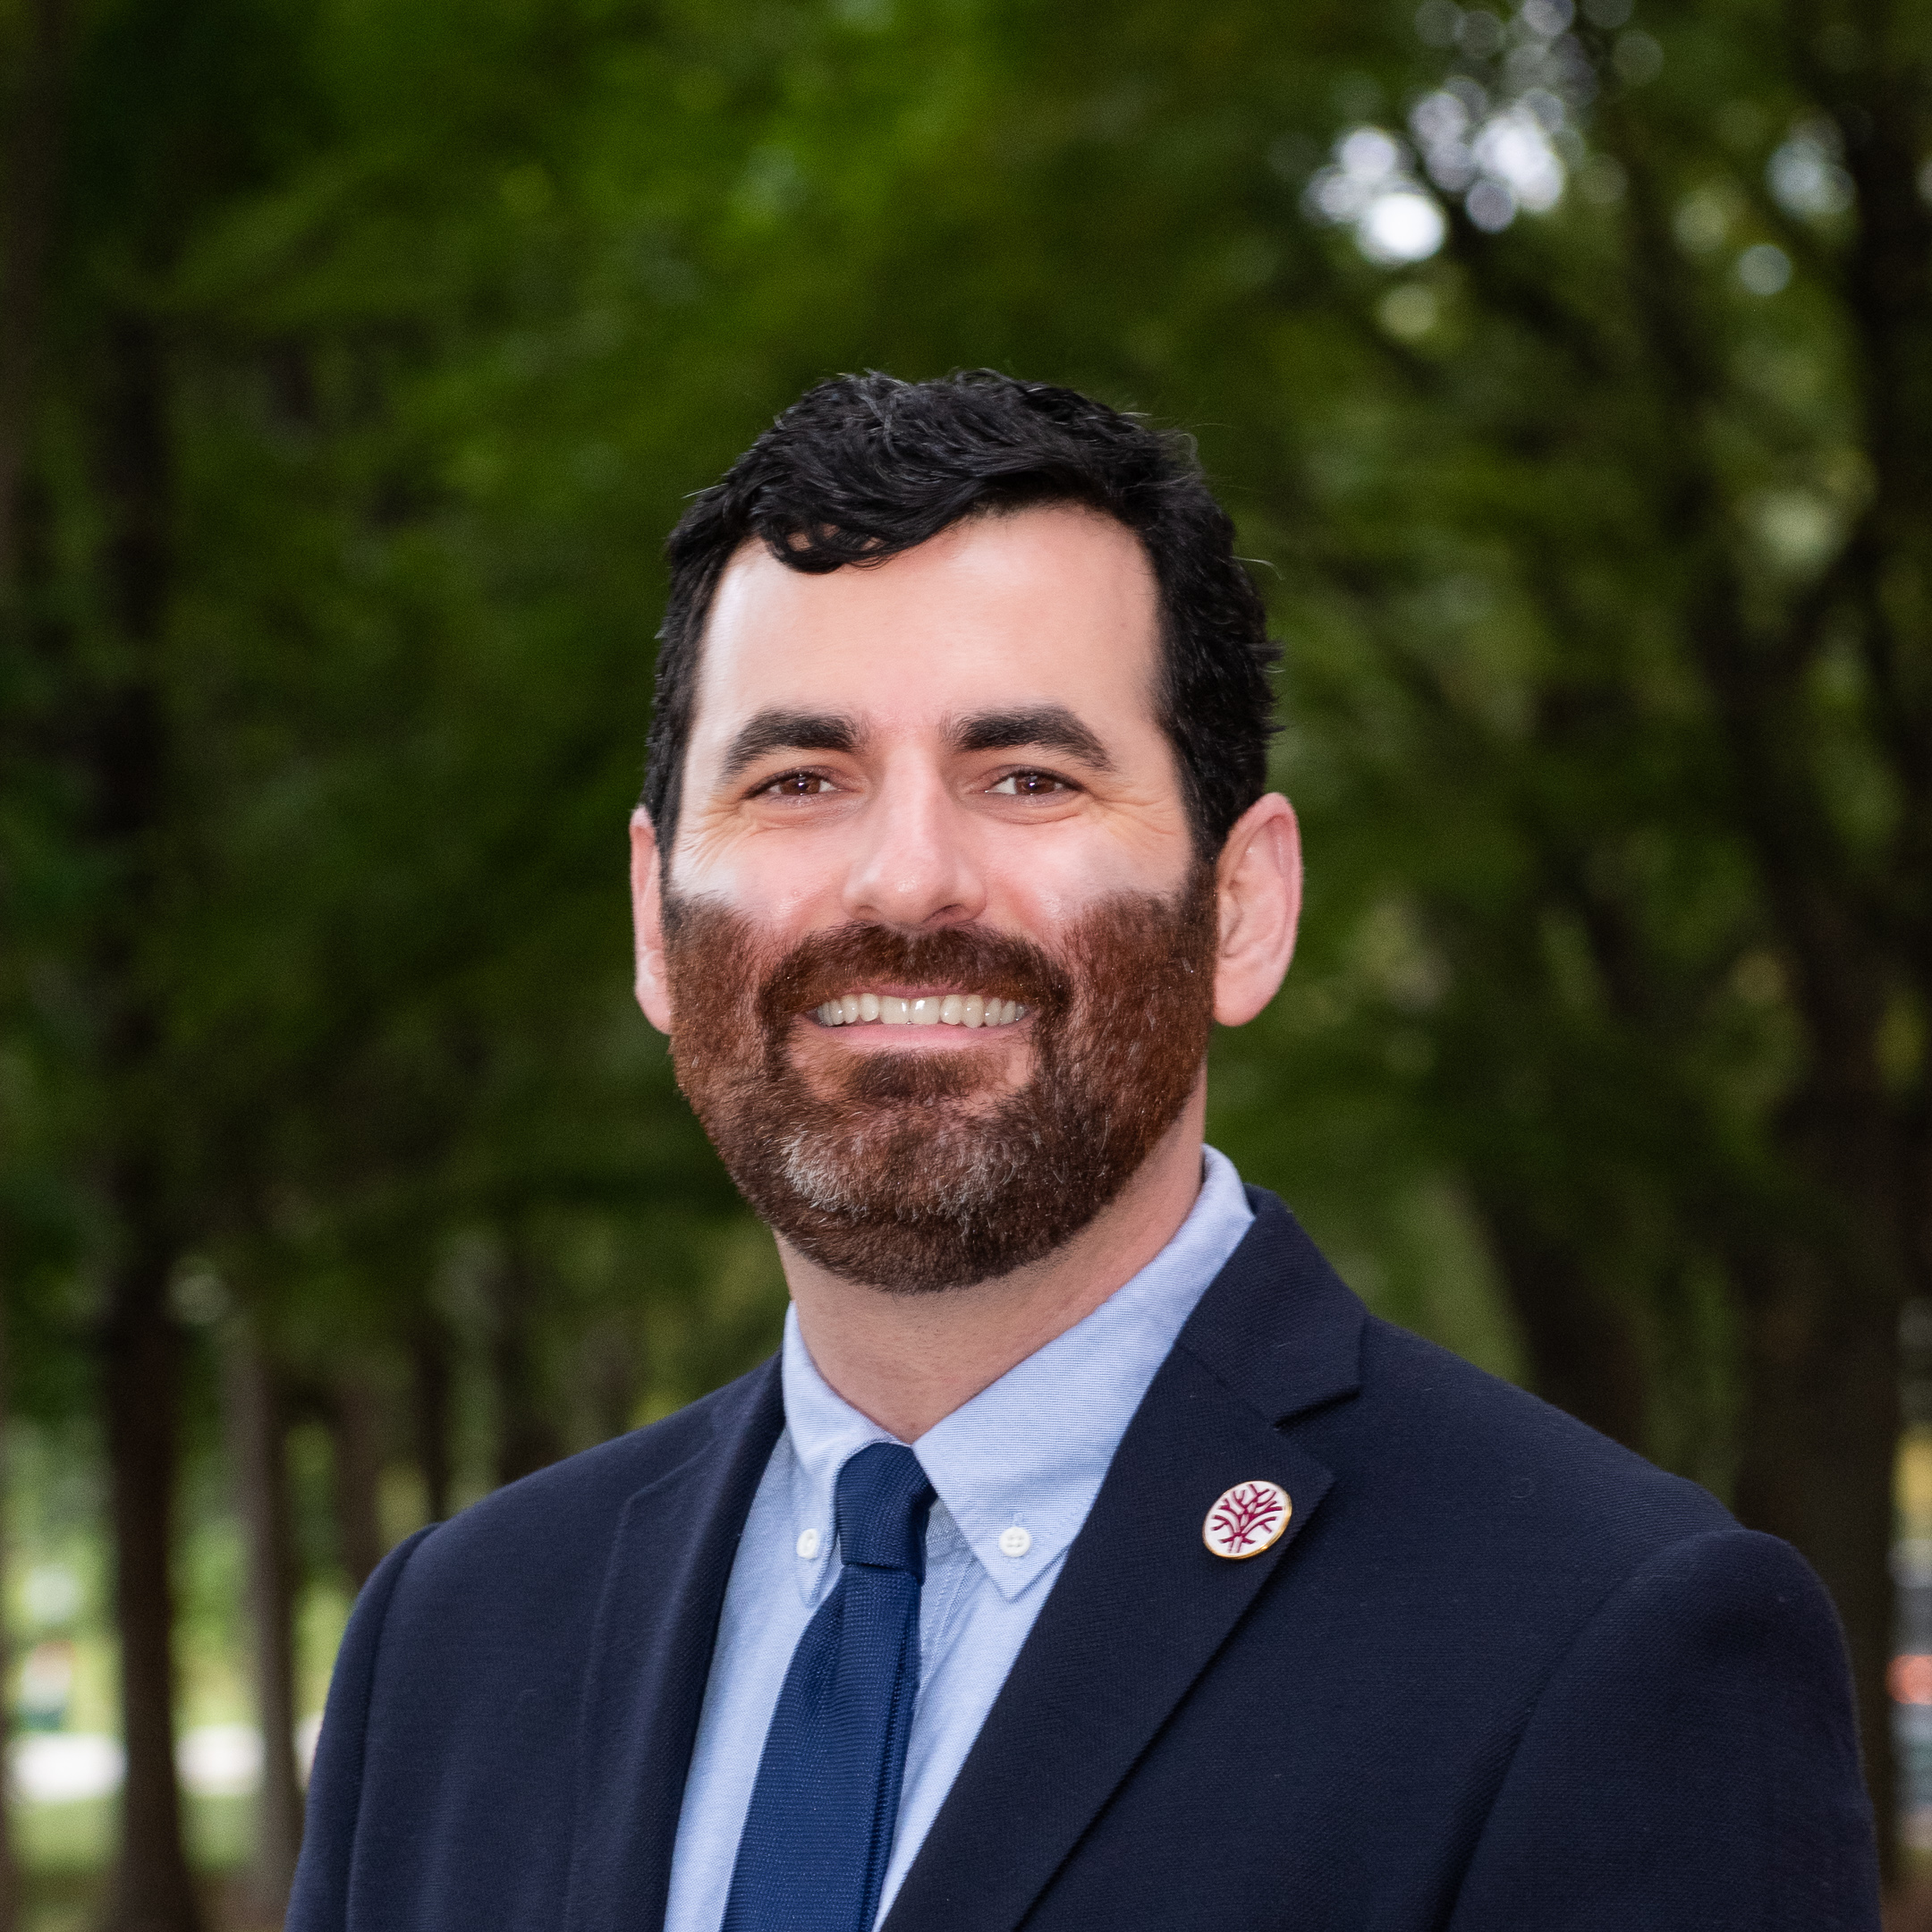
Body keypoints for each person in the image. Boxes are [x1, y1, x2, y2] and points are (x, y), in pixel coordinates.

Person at [288, 371, 1880, 1932]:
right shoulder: (454, 1642)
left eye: (1029, 776)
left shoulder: (1605, 1639)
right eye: (798, 780)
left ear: (1241, 908)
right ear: (655, 919)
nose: (905, 881)